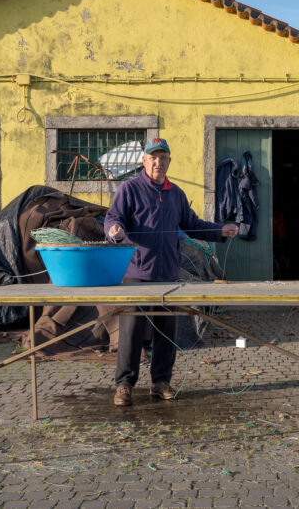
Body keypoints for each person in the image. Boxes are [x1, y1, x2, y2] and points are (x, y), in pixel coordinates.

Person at [105, 137, 239, 406]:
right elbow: (113, 218)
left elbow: (192, 224)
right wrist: (114, 231)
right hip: (138, 274)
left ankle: (160, 382)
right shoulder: (129, 190)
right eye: (153, 157)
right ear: (144, 161)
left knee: (167, 333)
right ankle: (124, 385)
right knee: (130, 333)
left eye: (163, 157)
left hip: (169, 276)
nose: (158, 162)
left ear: (168, 161)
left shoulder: (175, 193)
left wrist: (219, 231)